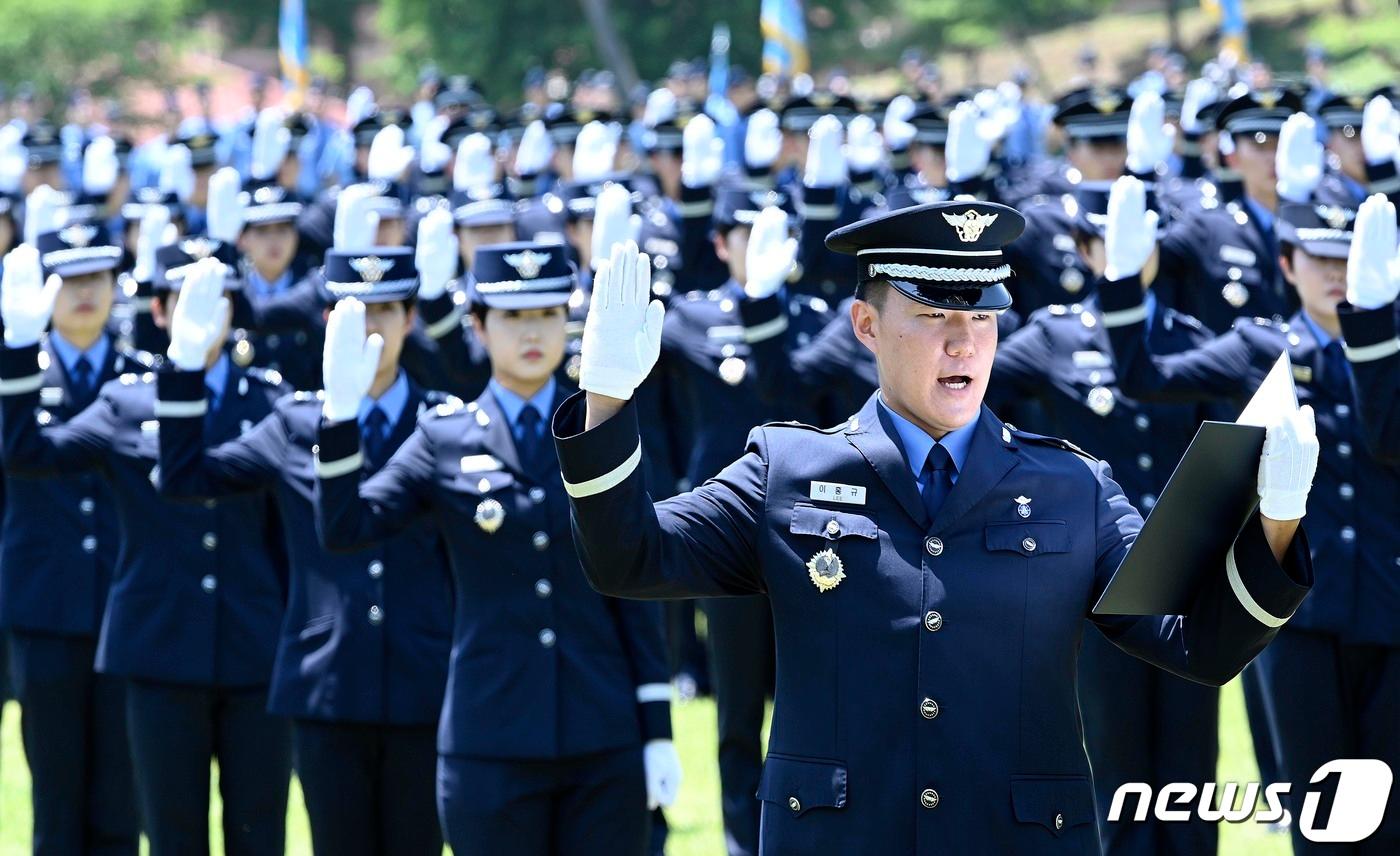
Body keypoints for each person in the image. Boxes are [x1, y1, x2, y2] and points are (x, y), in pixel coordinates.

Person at [550, 199, 1317, 853]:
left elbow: (1196, 642)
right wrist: (609, 406)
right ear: (865, 325)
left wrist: (1276, 526)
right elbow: (631, 558)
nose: (963, 342)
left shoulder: (1071, 486)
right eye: (932, 314)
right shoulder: (785, 471)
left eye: (981, 318)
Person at [311, 240, 681, 855]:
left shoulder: (607, 428)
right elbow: (347, 527)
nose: (531, 332)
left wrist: (657, 729)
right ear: (477, 325)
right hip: (490, 738)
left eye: (543, 313)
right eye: (511, 316)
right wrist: (340, 417)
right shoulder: (443, 437)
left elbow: (636, 582)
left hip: (602, 730)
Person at [1096, 182, 1400, 854]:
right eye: (1316, 259)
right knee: (1317, 806)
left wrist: (1380, 333)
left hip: (1390, 605)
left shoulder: (1392, 354)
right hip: (1297, 612)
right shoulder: (1261, 346)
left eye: (1347, 258)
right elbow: (1146, 373)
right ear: (1285, 265)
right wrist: (1123, 289)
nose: (1335, 274)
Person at [150, 245, 454, 856]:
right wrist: (183, 365)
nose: (370, 328)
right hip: (328, 682)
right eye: (351, 313)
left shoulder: (441, 425)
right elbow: (185, 478)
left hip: (426, 678)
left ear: (411, 318)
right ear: (324, 323)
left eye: (385, 310)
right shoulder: (294, 422)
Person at [0, 246, 292, 856]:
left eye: (221, 300)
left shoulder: (269, 401)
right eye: (190, 301)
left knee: (258, 829)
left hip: (254, 643)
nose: (209, 315)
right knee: (168, 833)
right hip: (159, 647)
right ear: (159, 311)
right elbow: (31, 455)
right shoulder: (128, 401)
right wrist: (20, 351)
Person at [0, 222, 142, 854]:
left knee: (121, 802)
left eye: (97, 277)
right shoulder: (15, 376)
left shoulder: (145, 378)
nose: (85, 292)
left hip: (128, 611)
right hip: (45, 609)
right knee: (56, 806)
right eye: (70, 278)